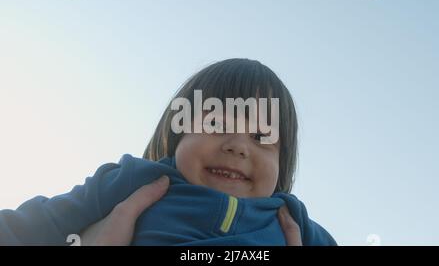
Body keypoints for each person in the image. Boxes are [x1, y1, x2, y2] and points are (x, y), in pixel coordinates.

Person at [0, 58, 336, 246]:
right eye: (217, 123)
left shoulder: (292, 220)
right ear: (179, 135)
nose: (237, 146)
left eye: (262, 136)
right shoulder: (133, 183)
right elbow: (26, 227)